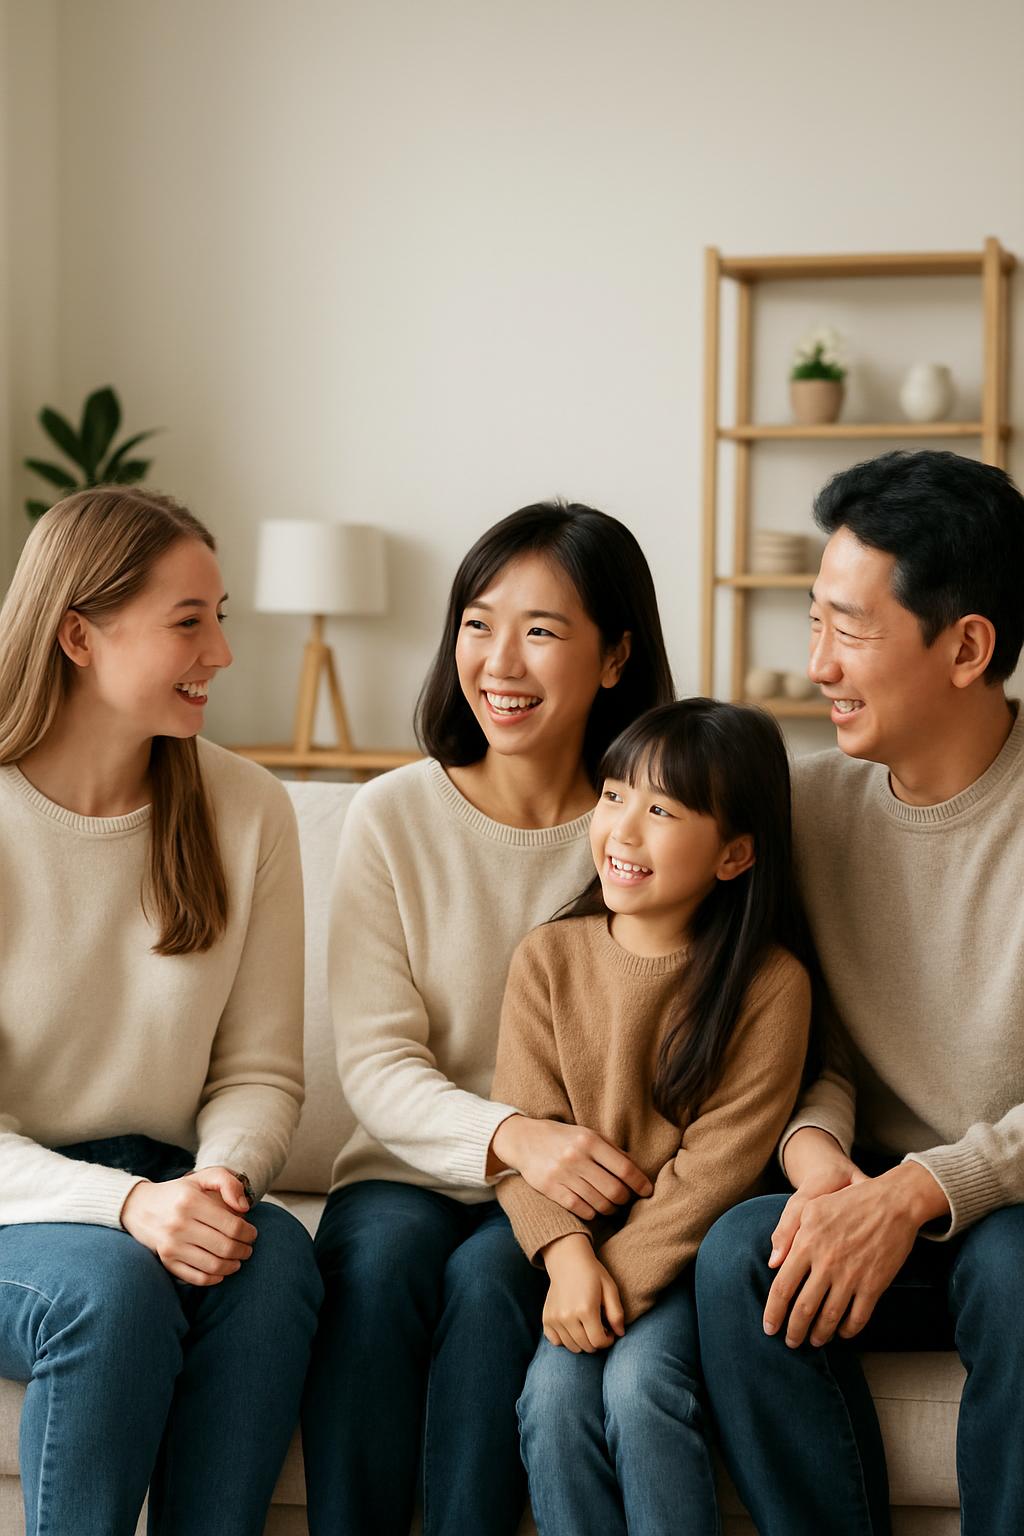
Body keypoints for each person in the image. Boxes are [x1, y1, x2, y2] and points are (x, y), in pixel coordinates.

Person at [302, 501, 675, 1536]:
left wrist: (563, 1163)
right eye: (477, 622)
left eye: (542, 630)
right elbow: (376, 1061)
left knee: (485, 1284)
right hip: (409, 1168)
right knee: (373, 1272)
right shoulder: (391, 816)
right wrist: (514, 1138)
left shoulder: (647, 827)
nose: (499, 661)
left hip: (585, 1185)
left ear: (615, 658)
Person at [696, 449, 1024, 1536]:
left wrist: (921, 1191)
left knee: (1019, 1269)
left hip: (1007, 1206)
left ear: (966, 646)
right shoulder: (806, 810)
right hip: (870, 1189)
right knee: (746, 1249)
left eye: (850, 629)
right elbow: (799, 1044)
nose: (816, 666)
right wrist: (818, 1161)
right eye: (810, 622)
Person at [0, 487, 322, 1536]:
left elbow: (260, 1071)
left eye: (219, 616)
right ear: (78, 634)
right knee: (112, 1286)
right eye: (191, 621)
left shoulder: (247, 809)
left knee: (273, 1259)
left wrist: (218, 1182)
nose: (222, 652)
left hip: (164, 1174)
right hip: (21, 1204)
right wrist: (129, 1209)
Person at [492, 698, 813, 1536]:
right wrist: (567, 1264)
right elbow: (521, 1136)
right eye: (612, 796)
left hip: (680, 1265)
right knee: (552, 1400)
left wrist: (613, 1283)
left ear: (735, 855)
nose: (623, 829)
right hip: (574, 1263)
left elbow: (717, 1171)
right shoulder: (548, 958)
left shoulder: (770, 986)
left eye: (663, 810)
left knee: (642, 1389)